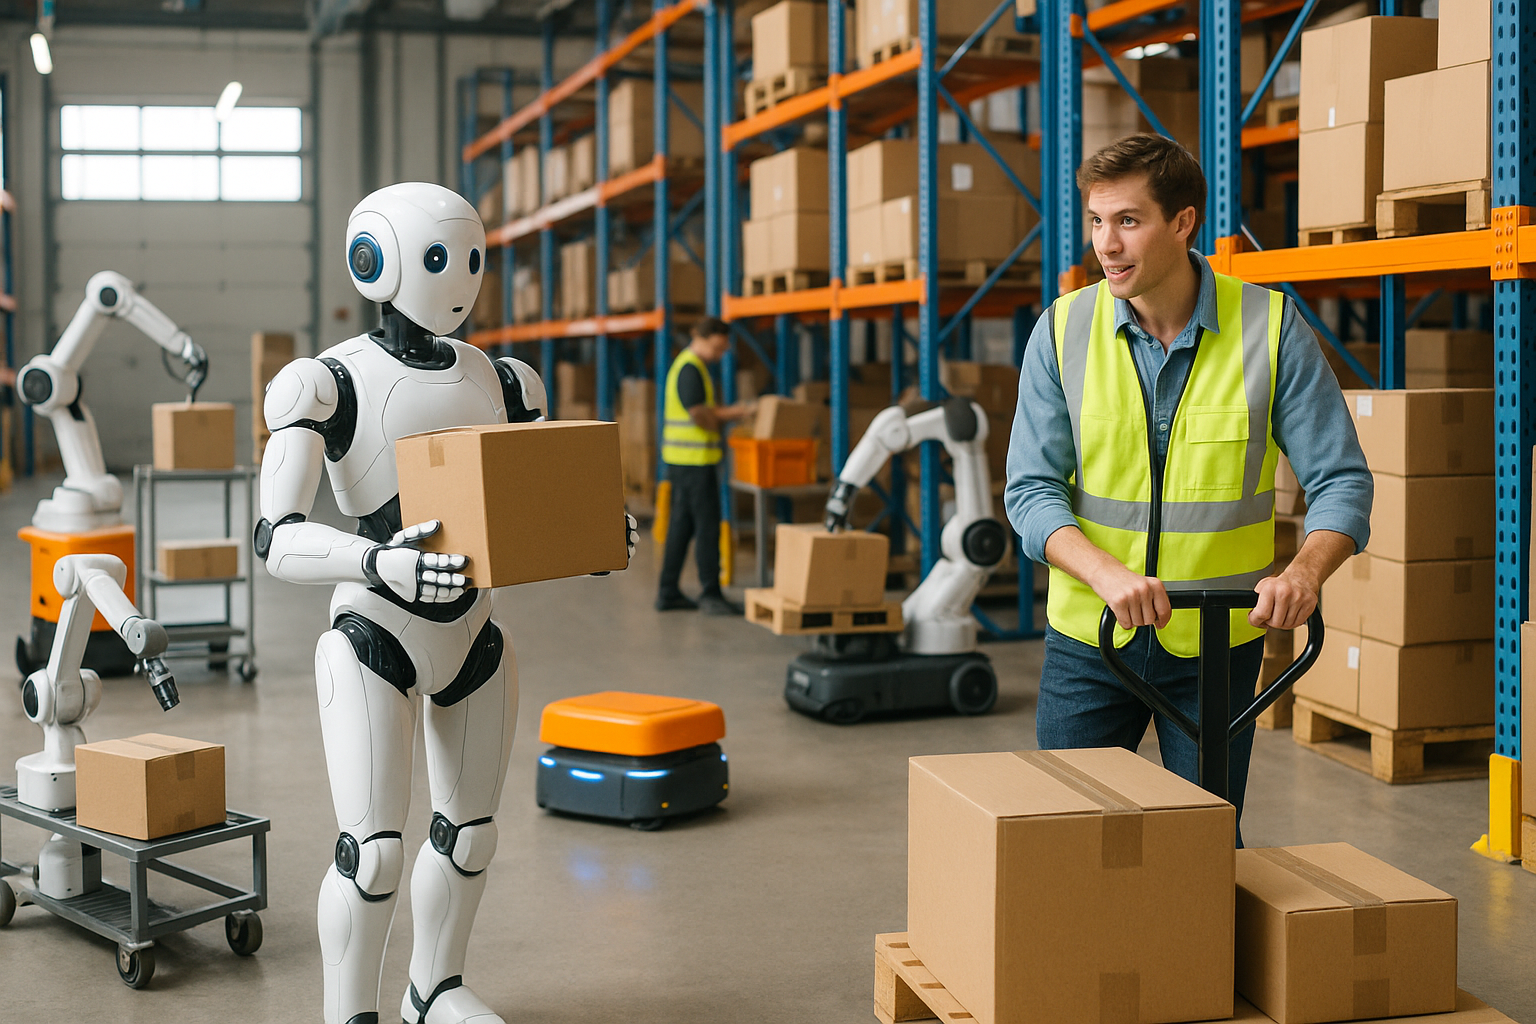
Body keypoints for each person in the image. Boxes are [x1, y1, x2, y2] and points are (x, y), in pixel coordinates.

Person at [1005, 134, 1373, 839]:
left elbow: (1342, 481)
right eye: (1096, 221)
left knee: (1201, 847)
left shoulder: (1270, 328)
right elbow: (1030, 490)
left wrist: (1304, 572)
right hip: (1091, 640)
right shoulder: (1061, 332)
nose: (1105, 245)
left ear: (1183, 222)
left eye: (1128, 221)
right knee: (1062, 842)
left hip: (1215, 643)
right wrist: (1107, 574)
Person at [657, 317, 754, 614]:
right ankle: (711, 594)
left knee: (682, 528)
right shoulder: (689, 368)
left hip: (684, 462)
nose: (721, 353)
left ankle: (668, 592)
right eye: (718, 346)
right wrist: (734, 414)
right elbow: (699, 414)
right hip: (694, 463)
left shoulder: (692, 366)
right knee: (707, 526)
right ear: (703, 337)